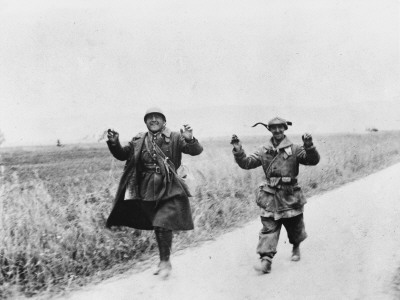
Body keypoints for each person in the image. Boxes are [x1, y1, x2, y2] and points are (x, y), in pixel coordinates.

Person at [106, 107, 203, 279]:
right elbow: (122, 155)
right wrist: (114, 142)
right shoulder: (139, 139)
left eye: (157, 117)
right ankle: (163, 260)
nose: (153, 120)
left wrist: (190, 139)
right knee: (158, 225)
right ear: (145, 122)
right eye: (150, 118)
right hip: (146, 188)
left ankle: (165, 262)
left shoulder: (174, 137)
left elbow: (195, 151)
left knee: (162, 222)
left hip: (169, 186)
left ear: (163, 121)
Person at [231, 117, 320, 274]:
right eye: (274, 128)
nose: (277, 131)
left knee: (295, 225)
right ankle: (266, 260)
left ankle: (296, 246)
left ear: (285, 129)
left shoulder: (294, 148)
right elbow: (246, 163)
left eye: (280, 128)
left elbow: (312, 160)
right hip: (270, 196)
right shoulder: (263, 150)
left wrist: (309, 146)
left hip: (290, 195)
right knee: (268, 227)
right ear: (269, 130)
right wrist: (238, 150)